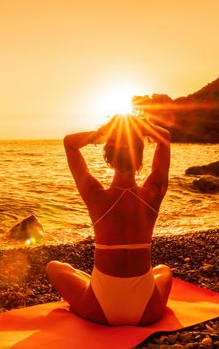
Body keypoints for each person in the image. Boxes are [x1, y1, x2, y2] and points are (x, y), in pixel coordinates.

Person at [46, 115, 173, 326]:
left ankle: (94, 284)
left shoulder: (95, 195)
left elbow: (69, 143)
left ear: (108, 160)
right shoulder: (153, 194)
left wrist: (104, 132)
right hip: (147, 311)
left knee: (54, 266)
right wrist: (140, 126)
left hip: (100, 310)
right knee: (163, 270)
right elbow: (165, 137)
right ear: (140, 160)